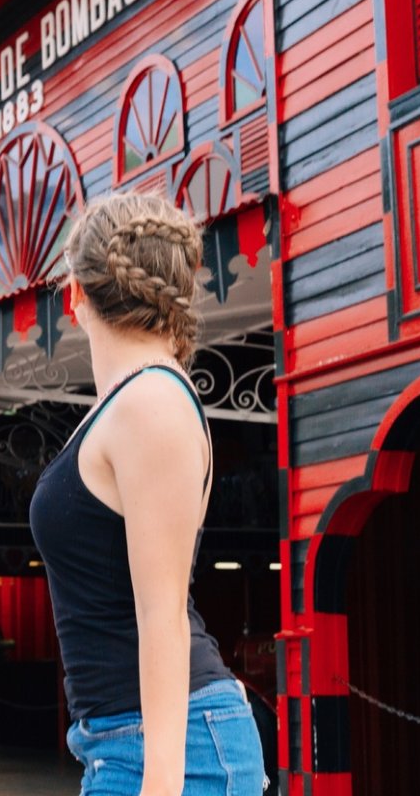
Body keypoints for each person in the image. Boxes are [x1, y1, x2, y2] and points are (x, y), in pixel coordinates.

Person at [30, 192, 265, 795]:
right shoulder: (130, 403)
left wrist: (160, 785)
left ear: (75, 296)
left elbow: (161, 615)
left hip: (167, 750)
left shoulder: (151, 403)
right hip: (128, 741)